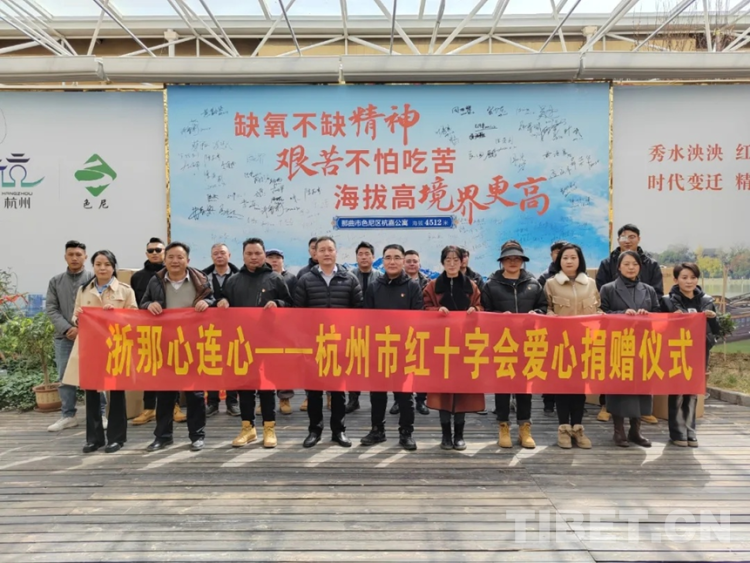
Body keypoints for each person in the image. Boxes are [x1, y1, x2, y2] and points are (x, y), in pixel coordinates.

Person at [218, 238, 292, 449]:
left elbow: (290, 304)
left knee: (266, 387)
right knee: (245, 386)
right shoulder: (233, 281)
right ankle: (247, 428)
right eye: (249, 253)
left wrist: (278, 303)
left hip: (268, 342)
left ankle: (269, 427)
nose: (253, 257)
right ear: (243, 255)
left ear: (264, 255)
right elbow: (223, 301)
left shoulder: (275, 279)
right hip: (242, 342)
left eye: (257, 253)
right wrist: (223, 301)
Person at [141, 242, 215, 452]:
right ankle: (163, 436)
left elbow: (213, 300)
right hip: (165, 344)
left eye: (180, 257)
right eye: (171, 257)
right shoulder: (155, 281)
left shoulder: (200, 279)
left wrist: (208, 303)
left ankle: (197, 436)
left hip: (193, 345)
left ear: (187, 260)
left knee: (195, 394)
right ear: (165, 260)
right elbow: (143, 303)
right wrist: (149, 305)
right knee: (165, 393)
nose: (175, 261)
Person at [294, 236, 363, 448]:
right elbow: (298, 313)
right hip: (314, 344)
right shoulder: (305, 280)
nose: (326, 253)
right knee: (314, 391)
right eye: (322, 250)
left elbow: (359, 312)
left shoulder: (349, 279)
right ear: (315, 253)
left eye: (330, 249)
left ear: (336, 252)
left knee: (338, 391)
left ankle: (338, 431)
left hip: (339, 345)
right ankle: (314, 430)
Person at [481, 241, 547, 449]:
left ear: (522, 261)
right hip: (502, 343)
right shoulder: (491, 285)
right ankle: (503, 426)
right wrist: (500, 316)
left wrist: (537, 313)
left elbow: (544, 307)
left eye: (516, 258)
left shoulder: (533, 284)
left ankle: (525, 428)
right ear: (502, 261)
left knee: (524, 387)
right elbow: (485, 311)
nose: (512, 262)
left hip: (527, 342)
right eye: (508, 259)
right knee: (502, 386)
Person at [596, 224, 664, 425]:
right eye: (624, 237)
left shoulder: (650, 271)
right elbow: (601, 309)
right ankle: (608, 409)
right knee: (615, 375)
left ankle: (641, 415)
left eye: (632, 236)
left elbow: (657, 305)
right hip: (617, 336)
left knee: (642, 374)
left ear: (638, 239)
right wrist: (622, 315)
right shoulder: (607, 271)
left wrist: (647, 314)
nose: (631, 267)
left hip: (642, 337)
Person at [72, 250, 137, 453]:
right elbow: (75, 316)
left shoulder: (125, 290)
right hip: (91, 348)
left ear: (113, 267)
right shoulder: (84, 290)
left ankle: (116, 438)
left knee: (116, 393)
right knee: (91, 393)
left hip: (116, 347)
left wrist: (117, 314)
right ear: (93, 266)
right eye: (98, 264)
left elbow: (135, 317)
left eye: (107, 264)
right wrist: (78, 318)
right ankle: (94, 439)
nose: (102, 268)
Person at [360, 244, 422, 451]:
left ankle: (406, 432)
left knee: (405, 395)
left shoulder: (412, 287)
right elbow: (366, 319)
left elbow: (418, 318)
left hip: (404, 349)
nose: (392, 261)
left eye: (396, 257)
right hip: (379, 349)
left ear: (403, 261)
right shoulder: (374, 287)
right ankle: (377, 430)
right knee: (377, 393)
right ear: (383, 261)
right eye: (388, 258)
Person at [423, 245, 485, 451]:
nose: (451, 264)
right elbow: (423, 309)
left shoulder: (472, 286)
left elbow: (480, 307)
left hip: (465, 344)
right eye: (448, 260)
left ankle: (459, 434)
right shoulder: (432, 286)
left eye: (455, 260)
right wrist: (436, 310)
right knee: (443, 390)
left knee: (461, 389)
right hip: (441, 346)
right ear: (442, 262)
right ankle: (445, 435)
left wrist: (474, 310)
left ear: (462, 262)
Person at [545, 243, 599, 449]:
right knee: (562, 388)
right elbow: (546, 309)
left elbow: (599, 310)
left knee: (579, 388)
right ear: (559, 261)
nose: (569, 261)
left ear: (580, 260)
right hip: (560, 345)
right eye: (565, 258)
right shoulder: (551, 284)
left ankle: (578, 428)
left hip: (584, 344)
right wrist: (551, 315)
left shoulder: (590, 284)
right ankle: (563, 429)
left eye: (573, 257)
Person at [661, 263, 720, 448]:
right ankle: (677, 432)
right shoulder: (667, 301)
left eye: (693, 277)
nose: (689, 281)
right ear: (675, 279)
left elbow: (716, 330)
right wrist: (672, 318)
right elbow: (658, 328)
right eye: (684, 277)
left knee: (693, 391)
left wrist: (712, 318)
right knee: (678, 391)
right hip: (676, 351)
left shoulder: (707, 300)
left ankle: (690, 430)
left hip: (699, 350)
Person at [130, 238, 186, 426]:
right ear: (146, 253)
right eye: (151, 250)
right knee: (150, 370)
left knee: (172, 369)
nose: (154, 253)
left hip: (174, 331)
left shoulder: (173, 275)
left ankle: (174, 406)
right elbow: (138, 303)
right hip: (148, 330)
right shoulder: (137, 277)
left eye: (158, 250)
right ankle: (149, 408)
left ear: (164, 253)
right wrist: (147, 306)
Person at [45, 240, 94, 432]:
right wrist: (67, 329)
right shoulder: (55, 281)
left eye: (78, 254)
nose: (75, 258)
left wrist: (83, 329)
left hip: (91, 338)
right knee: (65, 377)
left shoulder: (93, 279)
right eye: (71, 254)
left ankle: (99, 413)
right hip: (64, 338)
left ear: (85, 257)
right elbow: (51, 308)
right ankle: (68, 415)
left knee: (95, 375)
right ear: (65, 257)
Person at [203, 243, 240, 418]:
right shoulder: (202, 276)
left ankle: (232, 402)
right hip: (209, 327)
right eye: (216, 253)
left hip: (234, 327)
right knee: (212, 362)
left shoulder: (239, 275)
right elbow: (199, 297)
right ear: (211, 256)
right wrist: (213, 303)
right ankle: (212, 402)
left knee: (232, 362)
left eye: (222, 253)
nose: (219, 256)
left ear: (229, 255)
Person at [346, 241, 382, 414]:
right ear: (356, 257)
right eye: (360, 254)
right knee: (353, 364)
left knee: (376, 364)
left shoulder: (380, 277)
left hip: (376, 329)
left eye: (367, 254)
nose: (364, 257)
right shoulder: (349, 276)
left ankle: (376, 398)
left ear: (373, 257)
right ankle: (353, 400)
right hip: (355, 328)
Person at [266, 248, 297, 415]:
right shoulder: (262, 278)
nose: (274, 261)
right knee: (265, 364)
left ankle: (285, 398)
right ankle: (265, 399)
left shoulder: (291, 278)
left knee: (285, 363)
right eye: (270, 258)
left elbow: (294, 302)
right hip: (265, 328)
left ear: (282, 260)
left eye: (277, 258)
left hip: (286, 328)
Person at [404, 249, 430, 415]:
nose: (412, 264)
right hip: (402, 331)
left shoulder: (428, 283)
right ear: (403, 263)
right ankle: (400, 400)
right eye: (409, 261)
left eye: (415, 261)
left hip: (423, 331)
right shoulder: (397, 282)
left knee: (421, 367)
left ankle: (421, 400)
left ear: (419, 264)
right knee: (402, 368)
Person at [296, 237, 319, 413]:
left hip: (333, 331)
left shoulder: (343, 274)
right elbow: (298, 303)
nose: (318, 251)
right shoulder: (303, 274)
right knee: (309, 365)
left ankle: (330, 395)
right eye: (314, 248)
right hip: (310, 330)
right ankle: (308, 395)